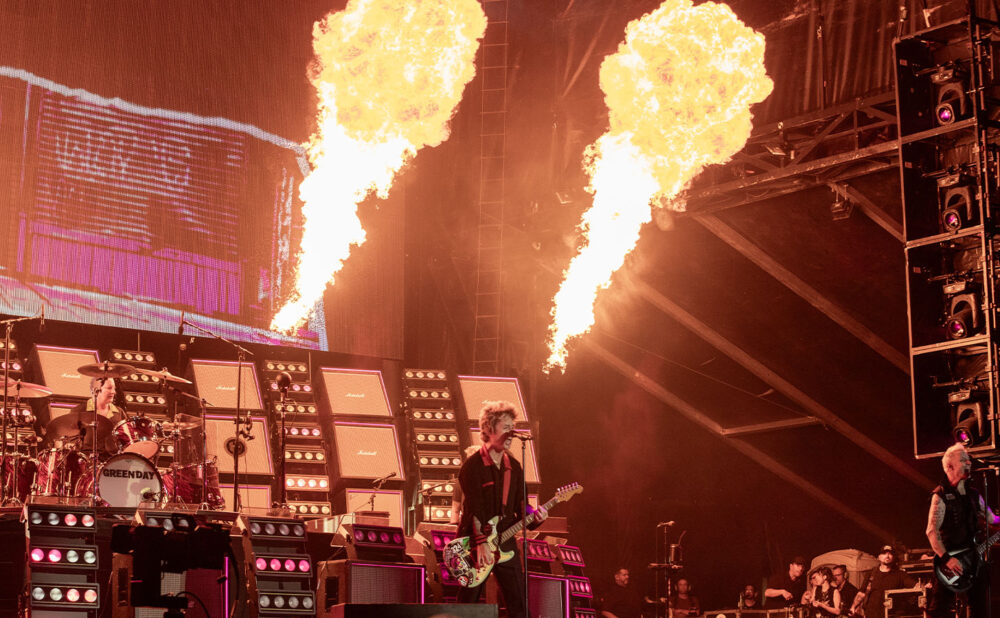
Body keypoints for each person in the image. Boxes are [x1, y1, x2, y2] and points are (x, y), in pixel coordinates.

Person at [457, 401, 547, 618]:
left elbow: (521, 505)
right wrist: (480, 543)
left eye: (512, 428)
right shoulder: (472, 466)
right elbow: (474, 507)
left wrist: (535, 518)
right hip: (475, 542)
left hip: (505, 541)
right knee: (467, 606)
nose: (511, 433)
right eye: (505, 427)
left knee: (519, 605)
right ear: (489, 429)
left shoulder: (514, 467)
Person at [925, 442, 999, 618]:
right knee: (939, 609)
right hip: (948, 562)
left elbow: (992, 519)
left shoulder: (974, 495)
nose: (969, 463)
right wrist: (947, 559)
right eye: (964, 460)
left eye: (968, 460)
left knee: (980, 607)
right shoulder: (940, 495)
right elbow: (931, 531)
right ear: (950, 466)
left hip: (973, 558)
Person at [850, 545, 916, 618]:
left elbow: (914, 585)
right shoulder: (871, 574)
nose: (887, 556)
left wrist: (923, 586)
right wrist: (853, 607)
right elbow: (861, 593)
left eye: (890, 554)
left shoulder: (900, 575)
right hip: (871, 615)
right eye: (884, 553)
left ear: (893, 557)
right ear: (879, 557)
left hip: (891, 615)